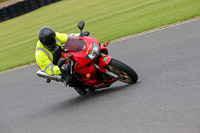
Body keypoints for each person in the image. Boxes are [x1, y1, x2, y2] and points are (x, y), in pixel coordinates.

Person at [35, 26, 87, 95]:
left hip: (63, 55)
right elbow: (50, 69)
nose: (53, 40)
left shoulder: (54, 36)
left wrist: (80, 36)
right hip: (55, 65)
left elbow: (67, 37)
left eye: (52, 38)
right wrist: (61, 69)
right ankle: (77, 85)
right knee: (69, 78)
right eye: (50, 40)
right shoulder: (40, 54)